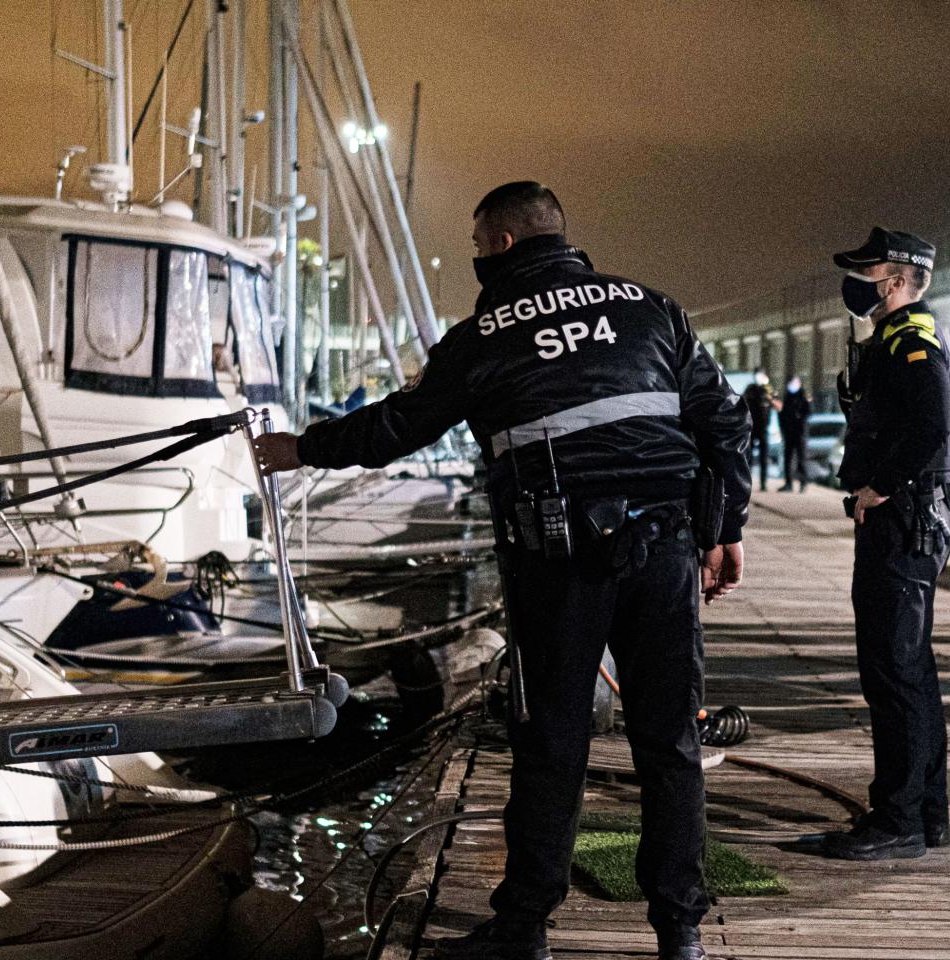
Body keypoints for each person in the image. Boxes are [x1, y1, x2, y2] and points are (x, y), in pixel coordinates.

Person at [252, 181, 752, 960]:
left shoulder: (487, 333)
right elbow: (724, 421)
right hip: (666, 550)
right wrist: (725, 530)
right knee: (670, 743)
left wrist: (297, 449)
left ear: (505, 245)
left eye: (481, 247)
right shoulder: (653, 309)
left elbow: (398, 427)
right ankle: (679, 930)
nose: (480, 259)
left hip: (559, 565)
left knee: (553, 744)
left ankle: (524, 928)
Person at [820, 226, 950, 861]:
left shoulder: (912, 339)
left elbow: (931, 425)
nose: (856, 283)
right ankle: (923, 811)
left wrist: (879, 485)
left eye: (867, 272)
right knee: (909, 669)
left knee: (893, 669)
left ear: (897, 280)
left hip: (904, 520)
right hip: (909, 518)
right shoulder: (893, 338)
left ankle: (898, 817)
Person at [778, 376, 812, 491]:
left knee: (801, 458)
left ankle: (803, 483)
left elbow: (807, 412)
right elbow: (782, 414)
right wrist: (783, 428)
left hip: (800, 433)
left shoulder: (803, 396)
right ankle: (788, 483)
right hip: (788, 433)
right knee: (788, 458)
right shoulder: (787, 396)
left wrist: (799, 419)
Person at [743, 370, 775, 492]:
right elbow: (743, 403)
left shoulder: (768, 389)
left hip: (763, 428)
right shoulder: (750, 389)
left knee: (763, 458)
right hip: (751, 427)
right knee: (749, 457)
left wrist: (769, 396)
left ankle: (763, 483)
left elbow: (777, 405)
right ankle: (747, 482)